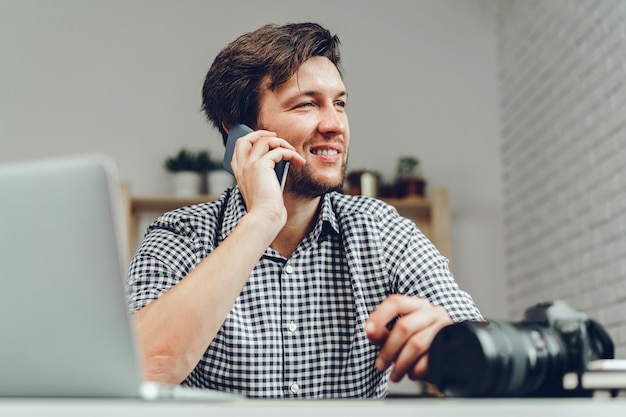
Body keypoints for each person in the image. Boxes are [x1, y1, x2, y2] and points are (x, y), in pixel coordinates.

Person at [127, 22, 482, 399]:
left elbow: (489, 367)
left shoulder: (381, 232)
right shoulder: (179, 237)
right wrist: (261, 220)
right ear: (239, 131)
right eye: (307, 103)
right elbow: (141, 370)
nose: (334, 125)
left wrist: (456, 348)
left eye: (340, 103)